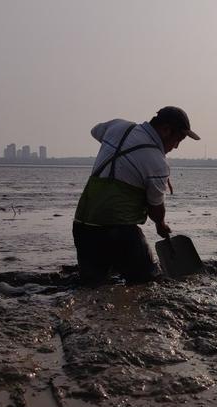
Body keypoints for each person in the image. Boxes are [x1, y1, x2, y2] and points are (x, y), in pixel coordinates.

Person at [73, 106, 200, 283]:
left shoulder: (118, 127)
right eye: (178, 139)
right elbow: (155, 209)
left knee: (92, 285)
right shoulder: (157, 163)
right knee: (147, 283)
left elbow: (95, 131)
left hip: (83, 225)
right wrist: (160, 225)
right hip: (119, 230)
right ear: (165, 130)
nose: (177, 146)